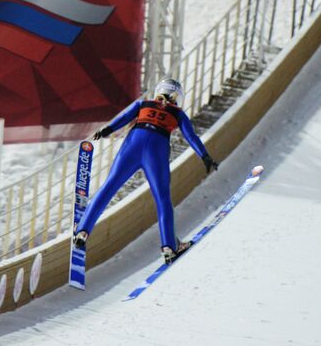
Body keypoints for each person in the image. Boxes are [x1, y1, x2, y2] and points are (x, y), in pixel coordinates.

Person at [73, 78, 219, 264]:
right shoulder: (178, 114)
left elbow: (123, 118)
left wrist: (106, 131)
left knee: (109, 186)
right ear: (177, 97)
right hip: (156, 150)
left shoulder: (143, 104)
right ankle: (169, 247)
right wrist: (205, 156)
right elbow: (190, 136)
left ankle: (83, 232)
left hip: (133, 144)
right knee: (163, 199)